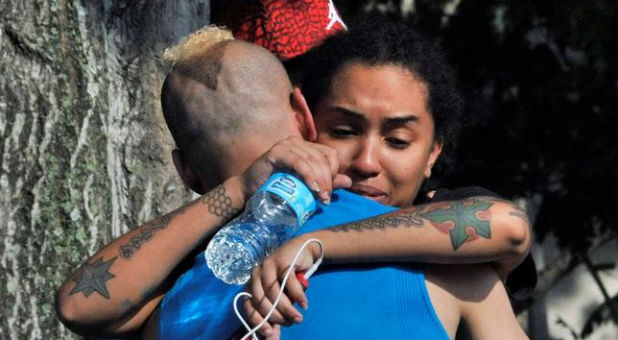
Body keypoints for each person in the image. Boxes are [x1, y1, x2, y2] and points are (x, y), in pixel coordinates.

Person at [55, 24, 531, 340]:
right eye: (345, 131)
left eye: (398, 140)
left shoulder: (180, 293)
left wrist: (307, 241)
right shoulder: (461, 272)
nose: (366, 162)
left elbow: (80, 305)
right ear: (307, 119)